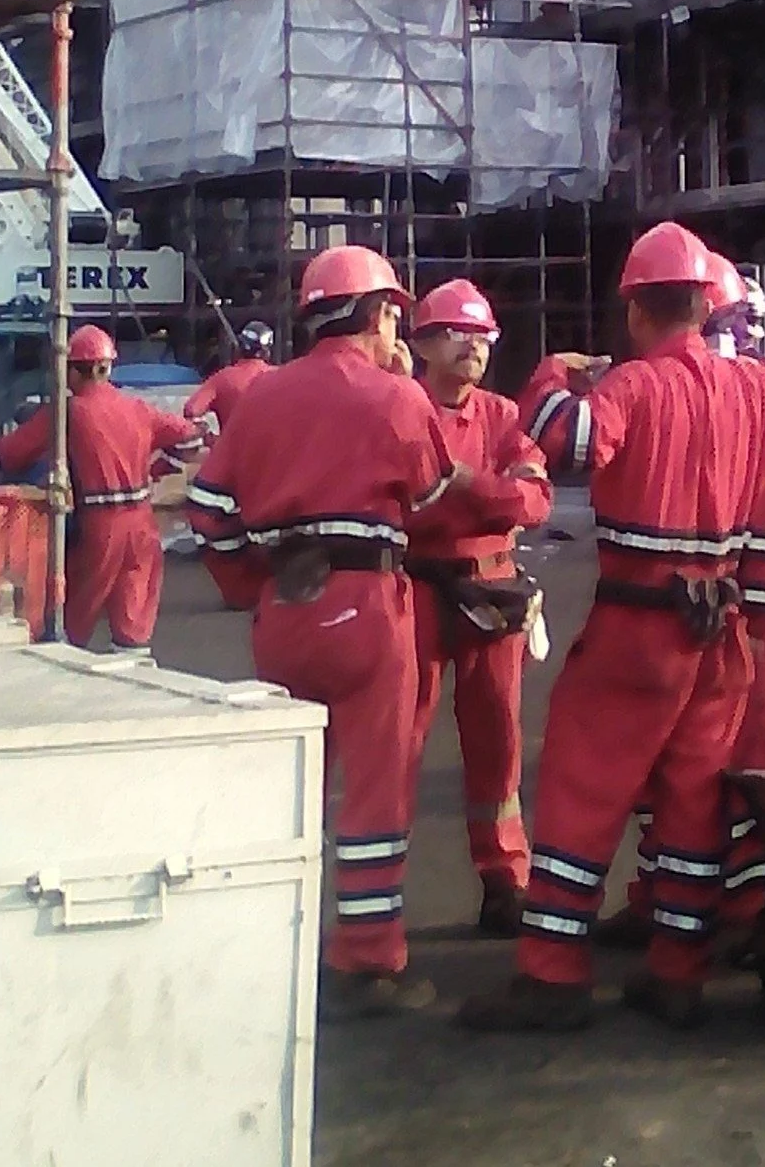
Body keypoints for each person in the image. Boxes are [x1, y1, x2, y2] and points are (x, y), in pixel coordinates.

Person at [462, 221, 765, 1034]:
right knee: (694, 804)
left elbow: (565, 441)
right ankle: (678, 975)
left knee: (580, 790)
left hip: (638, 625)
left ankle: (552, 975)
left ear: (636, 309)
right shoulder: (758, 387)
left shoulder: (632, 387)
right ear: (708, 308)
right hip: (721, 628)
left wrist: (553, 378)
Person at [188, 246, 511, 1017]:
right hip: (368, 604)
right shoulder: (395, 397)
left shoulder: (260, 397)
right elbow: (432, 492)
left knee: (292, 784)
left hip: (285, 607)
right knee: (374, 788)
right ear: (380, 315)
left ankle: (270, 932)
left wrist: (250, 585)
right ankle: (367, 959)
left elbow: (206, 508)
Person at [406, 279, 553, 939]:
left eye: (484, 338)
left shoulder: (501, 416)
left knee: (498, 744)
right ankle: (380, 898)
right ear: (423, 344)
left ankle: (504, 879)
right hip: (417, 591)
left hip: (491, 592)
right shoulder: (402, 410)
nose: (473, 348)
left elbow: (532, 503)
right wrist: (486, 496)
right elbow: (410, 503)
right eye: (457, 336)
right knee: (397, 745)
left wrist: (464, 486)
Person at [0, 324, 202, 648]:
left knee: (74, 615)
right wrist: (160, 468)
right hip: (142, 521)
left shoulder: (67, 412)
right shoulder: (136, 408)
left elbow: (10, 454)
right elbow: (192, 437)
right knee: (134, 621)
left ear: (72, 370)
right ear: (107, 367)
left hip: (98, 526)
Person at [184, 321, 275, 439]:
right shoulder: (280, 376)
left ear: (239, 347)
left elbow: (191, 410)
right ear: (267, 351)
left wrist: (208, 436)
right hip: (276, 452)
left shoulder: (223, 378)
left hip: (231, 452)